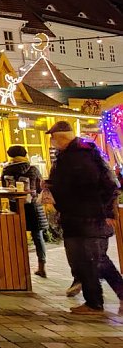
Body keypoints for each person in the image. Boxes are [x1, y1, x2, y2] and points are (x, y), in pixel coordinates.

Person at [46, 120, 121, 314]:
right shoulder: (69, 155)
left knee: (94, 261)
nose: (52, 142)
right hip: (75, 217)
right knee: (90, 261)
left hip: (88, 218)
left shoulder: (82, 155)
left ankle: (95, 303)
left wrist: (105, 212)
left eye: (53, 138)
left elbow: (109, 185)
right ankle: (95, 301)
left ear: (60, 137)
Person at [2, 145, 49, 277]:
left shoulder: (6, 170)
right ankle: (42, 266)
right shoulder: (33, 169)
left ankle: (19, 267)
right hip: (33, 206)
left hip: (15, 205)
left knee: (17, 237)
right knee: (37, 236)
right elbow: (41, 188)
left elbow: (3, 188)